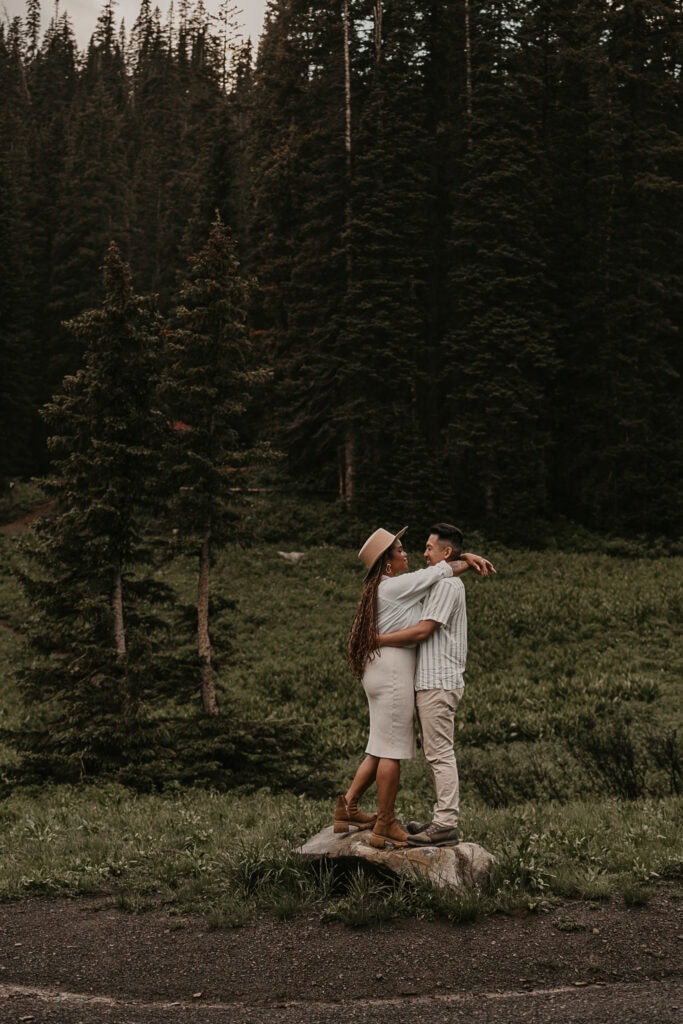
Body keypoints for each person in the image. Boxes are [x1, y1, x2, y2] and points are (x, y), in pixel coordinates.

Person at [335, 526, 493, 850]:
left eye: (415, 547)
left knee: (380, 745)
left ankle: (348, 806)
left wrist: (464, 558)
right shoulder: (396, 586)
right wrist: (466, 559)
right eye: (401, 550)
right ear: (387, 562)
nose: (410, 554)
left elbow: (438, 571)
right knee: (392, 748)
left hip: (381, 669)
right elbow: (436, 572)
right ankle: (385, 822)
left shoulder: (382, 587)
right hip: (392, 670)